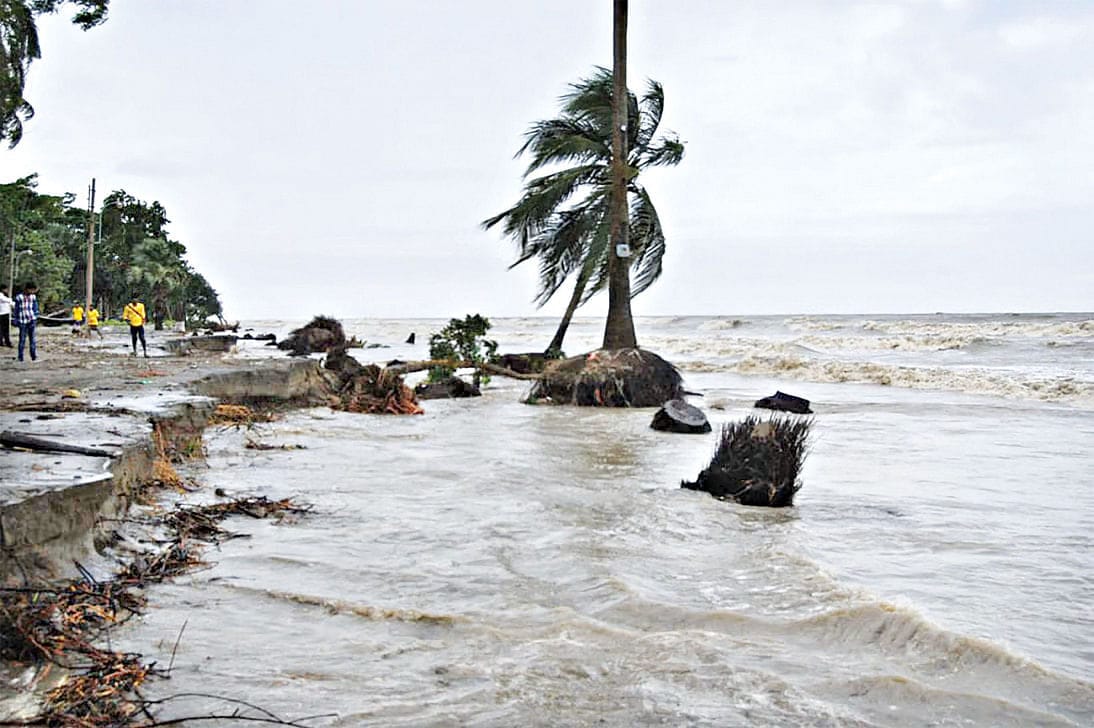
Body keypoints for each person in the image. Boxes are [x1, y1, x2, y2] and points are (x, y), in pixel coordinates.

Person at [13, 282, 39, 362]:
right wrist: (16, 319)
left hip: (31, 319)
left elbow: (35, 307)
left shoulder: (33, 297)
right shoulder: (19, 297)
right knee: (22, 339)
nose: (32, 292)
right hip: (22, 320)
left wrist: (35, 316)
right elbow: (16, 309)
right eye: (32, 290)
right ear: (27, 289)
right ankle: (20, 357)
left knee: (32, 339)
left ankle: (33, 356)